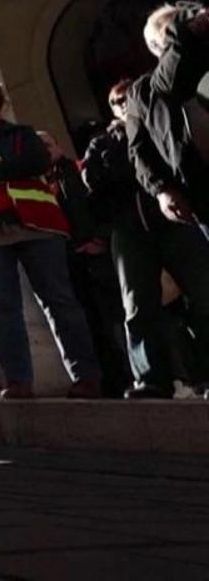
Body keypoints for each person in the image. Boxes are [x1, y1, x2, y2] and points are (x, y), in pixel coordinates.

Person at [0, 81, 102, 399]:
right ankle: (17, 381)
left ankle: (85, 377)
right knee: (4, 308)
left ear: (1, 106)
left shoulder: (22, 134)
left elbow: (36, 161)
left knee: (59, 301)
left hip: (38, 225)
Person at [87, 79, 209, 398]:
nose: (124, 103)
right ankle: (150, 378)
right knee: (137, 305)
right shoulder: (103, 143)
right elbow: (94, 187)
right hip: (129, 231)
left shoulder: (160, 124)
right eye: (116, 101)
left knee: (203, 292)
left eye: (128, 97)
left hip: (175, 221)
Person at [40, 130, 129, 397]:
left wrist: (100, 238)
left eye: (46, 143)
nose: (42, 150)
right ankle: (108, 383)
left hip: (97, 258)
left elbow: (104, 204)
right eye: (36, 146)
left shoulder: (80, 170)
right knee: (89, 325)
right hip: (67, 263)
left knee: (116, 320)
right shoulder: (33, 186)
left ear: (58, 145)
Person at [128, 0, 209, 239]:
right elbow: (138, 150)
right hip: (201, 188)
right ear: (153, 45)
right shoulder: (143, 92)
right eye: (168, 31)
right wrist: (161, 189)